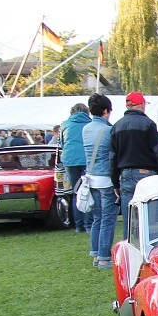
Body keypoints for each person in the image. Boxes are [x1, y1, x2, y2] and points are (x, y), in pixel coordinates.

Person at [110, 91, 158, 238]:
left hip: (125, 174)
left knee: (129, 219)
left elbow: (113, 158)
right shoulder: (148, 124)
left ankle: (129, 252)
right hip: (146, 173)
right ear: (140, 105)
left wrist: (115, 182)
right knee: (148, 218)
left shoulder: (116, 126)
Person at [82, 93, 117, 269]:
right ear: (105, 111)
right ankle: (104, 257)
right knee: (108, 218)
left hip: (91, 177)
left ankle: (96, 254)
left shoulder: (85, 129)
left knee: (97, 217)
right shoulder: (108, 130)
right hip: (105, 178)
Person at [60, 103, 93, 233]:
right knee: (87, 191)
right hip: (86, 159)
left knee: (76, 192)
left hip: (69, 160)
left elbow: (62, 143)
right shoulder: (90, 123)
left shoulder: (65, 124)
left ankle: (78, 226)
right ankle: (88, 224)